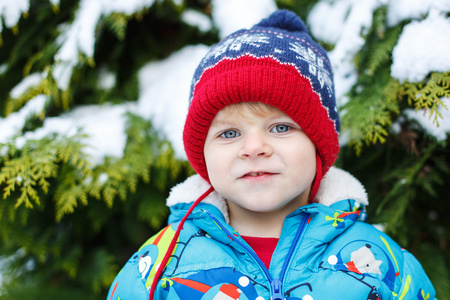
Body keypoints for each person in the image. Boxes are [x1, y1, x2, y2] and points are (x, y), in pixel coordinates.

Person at [107, 9, 436, 300]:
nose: (253, 148)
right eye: (229, 133)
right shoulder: (157, 269)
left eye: (280, 128)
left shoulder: (382, 266)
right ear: (202, 154)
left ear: (319, 144)